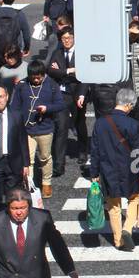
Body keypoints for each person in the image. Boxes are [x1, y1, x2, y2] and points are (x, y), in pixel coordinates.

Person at [89, 86, 139, 251]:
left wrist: (94, 173)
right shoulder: (133, 124)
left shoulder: (100, 123)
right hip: (129, 168)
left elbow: (95, 150)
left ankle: (117, 240)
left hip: (107, 168)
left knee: (113, 205)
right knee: (134, 198)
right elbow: (137, 151)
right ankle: (127, 229)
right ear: (129, 105)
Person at [9, 61, 64, 200]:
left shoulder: (52, 85)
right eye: (33, 77)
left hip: (45, 128)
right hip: (26, 129)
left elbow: (60, 104)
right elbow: (14, 107)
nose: (36, 80)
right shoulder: (22, 86)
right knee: (29, 160)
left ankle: (46, 183)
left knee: (45, 157)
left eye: (39, 77)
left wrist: (47, 109)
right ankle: (30, 185)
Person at [46, 26, 89, 177]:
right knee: (61, 127)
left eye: (69, 38)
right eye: (64, 39)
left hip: (77, 94)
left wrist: (83, 94)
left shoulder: (81, 53)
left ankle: (83, 150)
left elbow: (84, 74)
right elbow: (50, 70)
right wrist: (68, 71)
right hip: (62, 95)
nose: (67, 41)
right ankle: (59, 164)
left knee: (79, 123)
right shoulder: (57, 53)